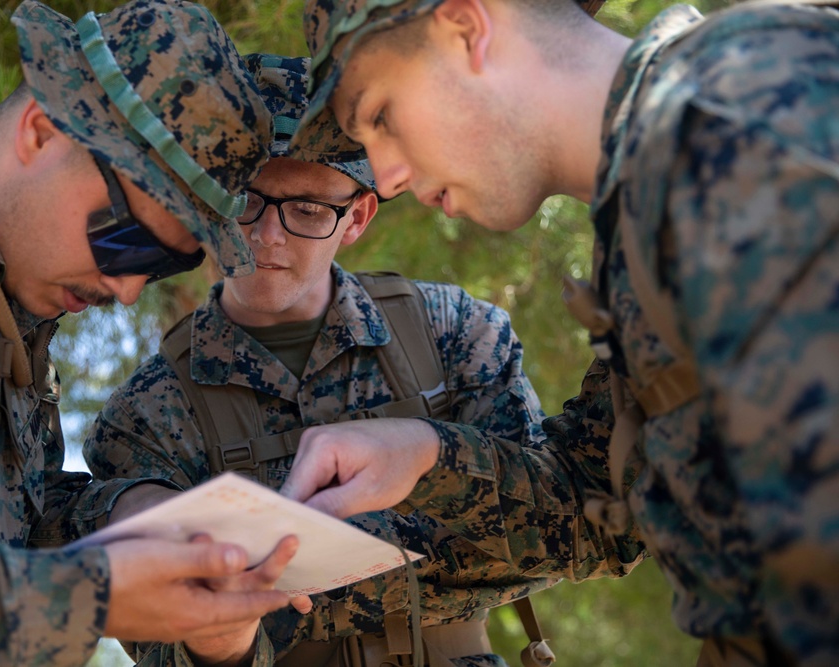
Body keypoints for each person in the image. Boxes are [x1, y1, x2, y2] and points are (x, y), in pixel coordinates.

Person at [281, 0, 839, 664]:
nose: (389, 174)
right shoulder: (648, 209)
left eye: (381, 116)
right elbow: (598, 509)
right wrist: (423, 455)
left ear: (466, 28)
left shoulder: (739, 113)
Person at [84, 53, 644, 667]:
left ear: (357, 218)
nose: (266, 236)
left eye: (307, 210)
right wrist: (221, 637)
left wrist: (427, 459)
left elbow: (563, 537)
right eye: (242, 198)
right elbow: (161, 642)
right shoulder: (143, 418)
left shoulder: (455, 334)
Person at [0, 1, 304, 665]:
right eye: (127, 241)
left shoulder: (12, 306)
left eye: (168, 264)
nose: (128, 289)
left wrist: (138, 521)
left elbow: (14, 527)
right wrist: (84, 596)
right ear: (39, 131)